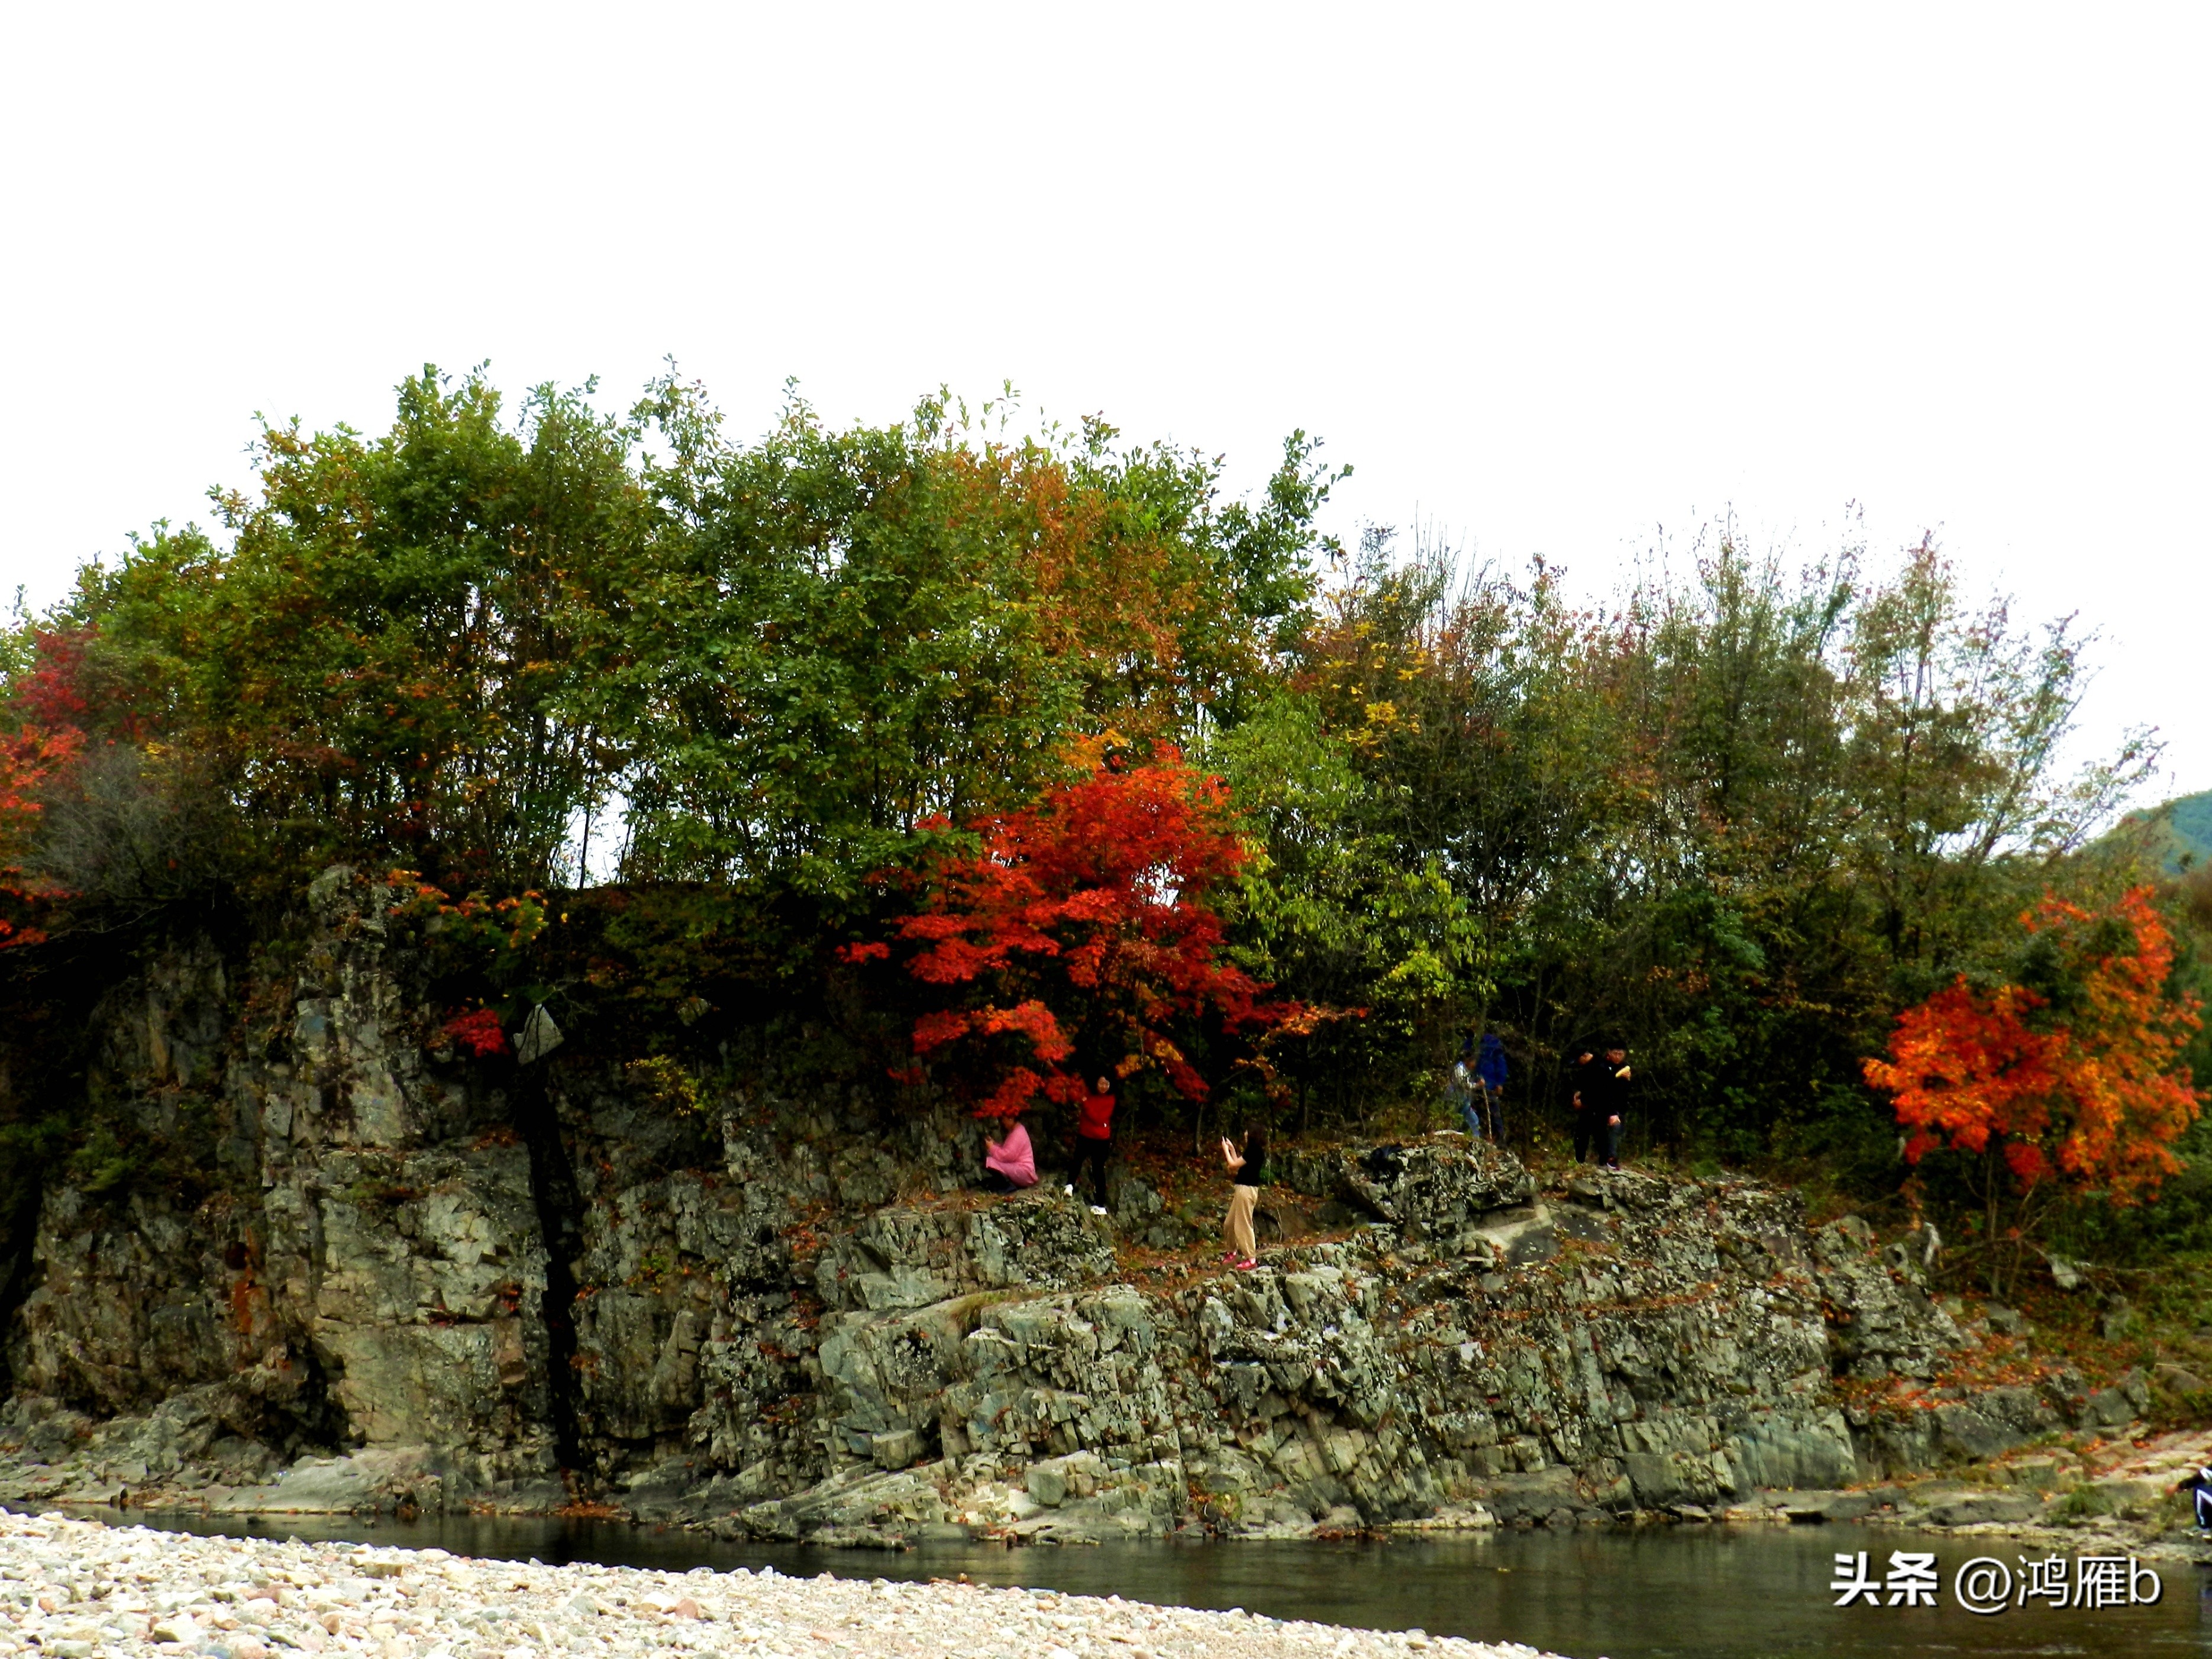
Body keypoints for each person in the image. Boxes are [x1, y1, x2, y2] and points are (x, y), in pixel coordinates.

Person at [1219, 1125, 1268, 1270]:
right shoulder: (1253, 1151)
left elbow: (1233, 1165)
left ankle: (1251, 1258)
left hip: (1246, 1191)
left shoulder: (1254, 1151)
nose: (1245, 1133)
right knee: (1229, 1223)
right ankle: (1232, 1251)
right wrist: (1233, 1149)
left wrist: (1225, 1150)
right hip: (1242, 1189)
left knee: (1243, 1225)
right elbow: (1240, 1164)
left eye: (1247, 1131)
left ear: (1252, 1134)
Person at [1072, 1076, 1114, 1215]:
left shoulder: (1110, 1099)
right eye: (1101, 1083)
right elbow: (1069, 1082)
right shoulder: (1088, 1094)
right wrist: (1051, 1066)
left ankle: (1100, 1204)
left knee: (1098, 1169)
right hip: (1085, 1135)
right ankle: (1069, 1185)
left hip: (1101, 1140)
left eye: (1107, 1084)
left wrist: (1085, 1104)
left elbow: (1099, 1119)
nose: (1104, 1086)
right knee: (1077, 1160)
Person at [979, 1116, 1036, 1193]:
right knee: (991, 1161)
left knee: (990, 1162)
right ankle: (1005, 1184)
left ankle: (1007, 1186)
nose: (1002, 1122)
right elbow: (1007, 1150)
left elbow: (1007, 1156)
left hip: (1024, 1172)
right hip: (1022, 1170)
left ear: (1011, 1118)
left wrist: (992, 1147)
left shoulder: (1018, 1133)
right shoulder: (1017, 1130)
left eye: (1004, 1119)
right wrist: (994, 1144)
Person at [1473, 1031, 1509, 1143]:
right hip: (1483, 1085)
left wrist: (1499, 1083)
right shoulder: (1489, 1048)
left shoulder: (1489, 1048)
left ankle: (1497, 1138)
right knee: (1491, 1113)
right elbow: (1501, 1067)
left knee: (1489, 1112)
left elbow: (1500, 1066)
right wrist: (1499, 1083)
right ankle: (1494, 1137)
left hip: (1485, 1085)